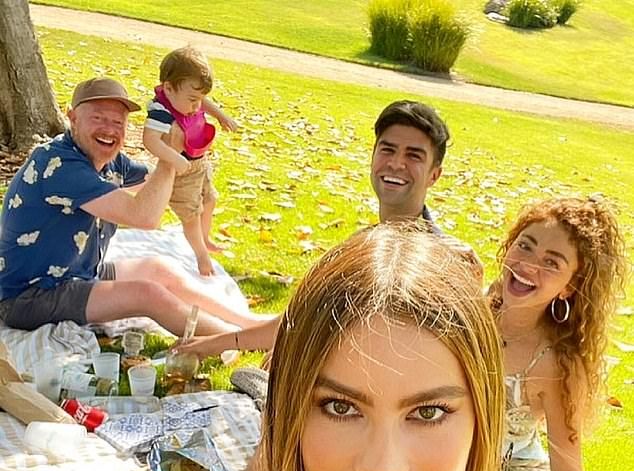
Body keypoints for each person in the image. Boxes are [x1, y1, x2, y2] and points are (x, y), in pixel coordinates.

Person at [155, 222, 505, 471]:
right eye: (341, 407)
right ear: (289, 409)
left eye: (427, 412)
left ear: (483, 419)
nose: (382, 468)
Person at [173, 100, 456, 358]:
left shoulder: (435, 265)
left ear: (434, 175)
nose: (396, 163)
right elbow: (304, 316)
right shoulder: (363, 244)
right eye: (388, 149)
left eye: (414, 156)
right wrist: (213, 344)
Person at [0, 77, 263, 336]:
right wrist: (169, 156)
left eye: (118, 122)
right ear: (73, 118)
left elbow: (156, 186)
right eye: (98, 118)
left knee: (158, 269)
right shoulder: (57, 165)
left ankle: (249, 323)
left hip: (77, 271)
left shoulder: (112, 163)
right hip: (29, 295)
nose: (109, 129)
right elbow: (146, 216)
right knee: (146, 294)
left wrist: (192, 152)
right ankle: (235, 339)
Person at [484, 197, 634, 471]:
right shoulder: (472, 309)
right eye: (526, 246)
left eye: (552, 262)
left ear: (569, 287)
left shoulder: (555, 363)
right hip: (449, 461)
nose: (529, 265)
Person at [143, 46, 237, 276]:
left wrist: (220, 115)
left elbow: (204, 102)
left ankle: (205, 239)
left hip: (199, 163)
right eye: (193, 99)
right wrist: (175, 159)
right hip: (179, 171)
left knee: (211, 199)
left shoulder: (187, 98)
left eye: (200, 98)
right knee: (191, 215)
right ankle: (201, 256)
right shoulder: (161, 112)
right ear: (168, 88)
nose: (197, 106)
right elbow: (150, 140)